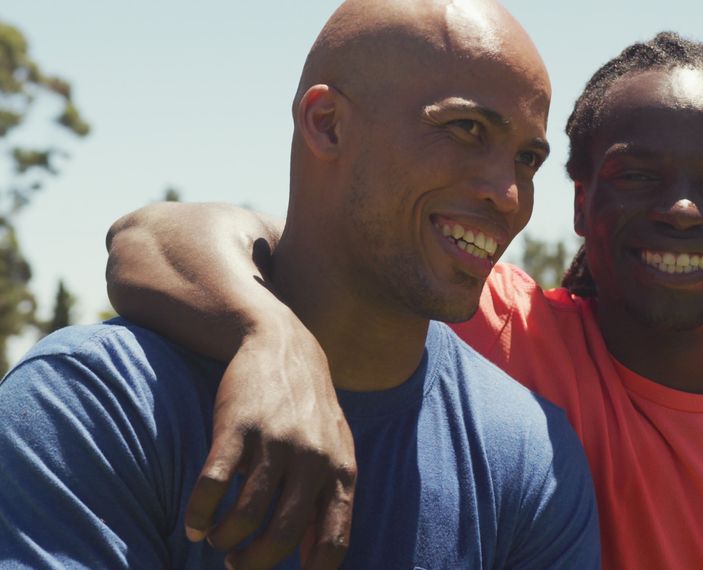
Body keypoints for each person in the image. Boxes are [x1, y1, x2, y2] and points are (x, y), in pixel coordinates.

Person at [103, 31, 703, 569]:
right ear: (579, 205)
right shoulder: (503, 331)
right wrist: (268, 334)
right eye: (638, 176)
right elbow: (153, 236)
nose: (682, 209)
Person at [0, 1, 601, 568]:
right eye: (467, 128)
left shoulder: (530, 458)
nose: (509, 193)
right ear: (327, 124)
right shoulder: (94, 401)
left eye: (527, 159)